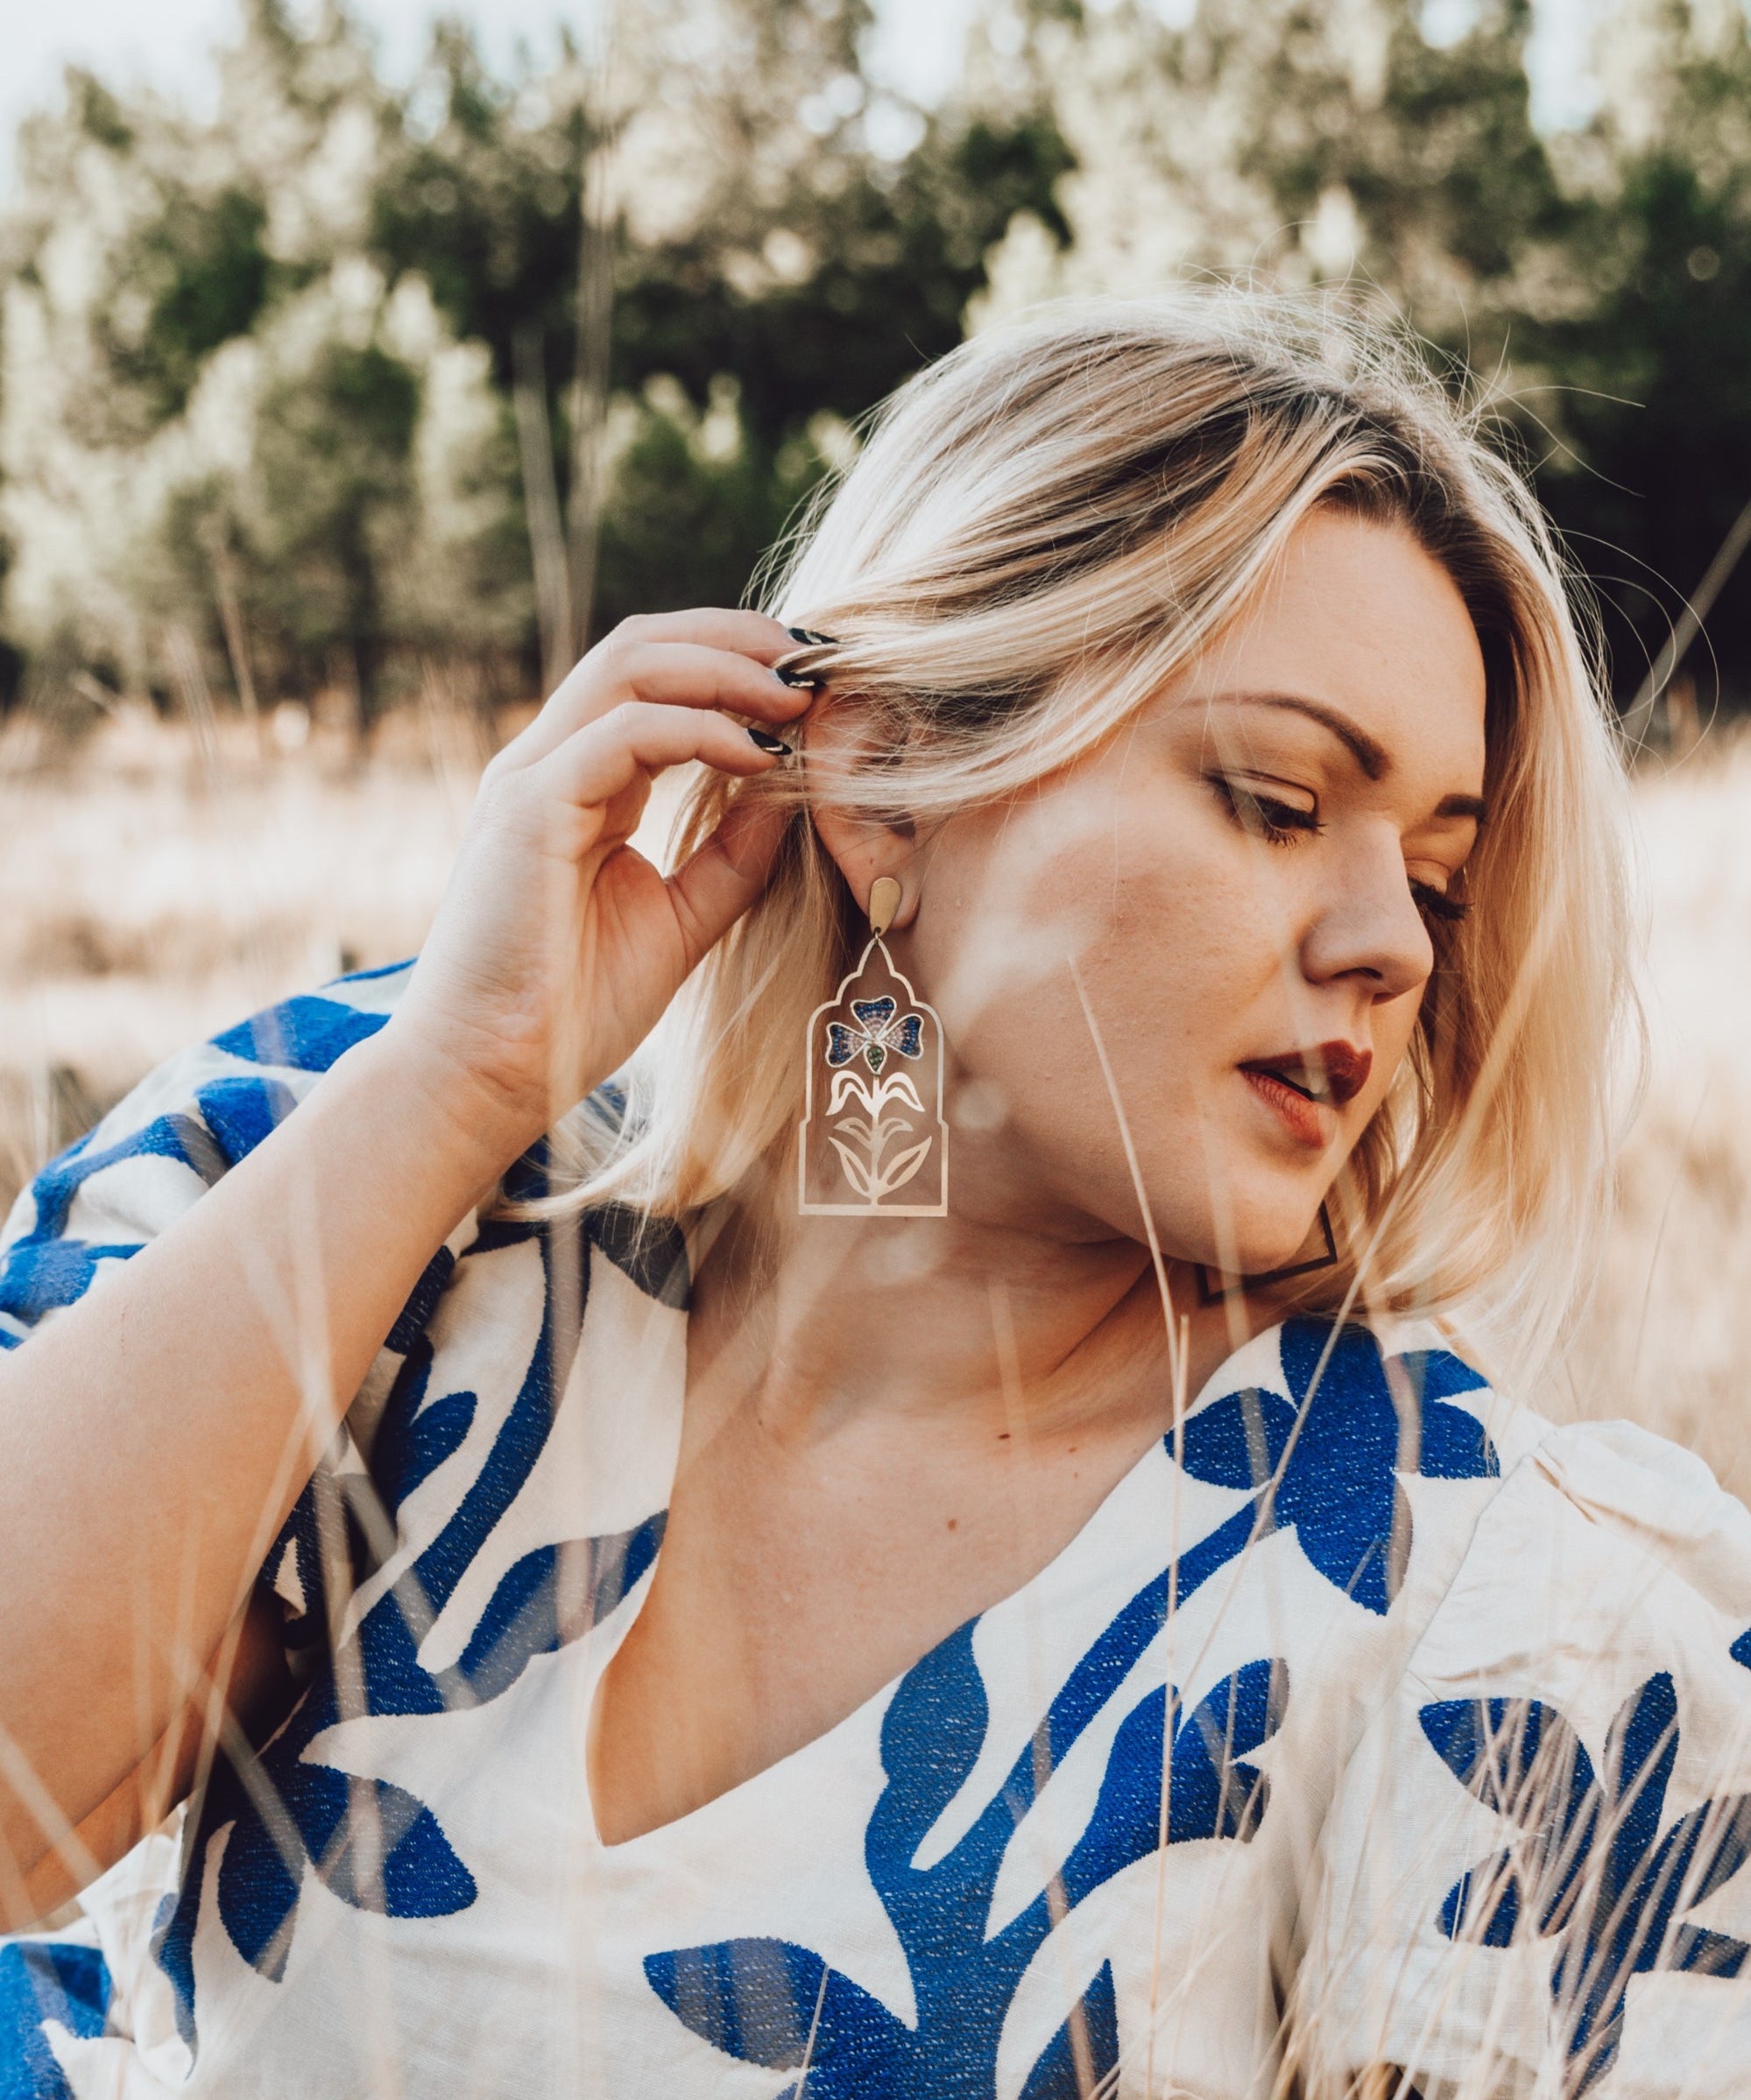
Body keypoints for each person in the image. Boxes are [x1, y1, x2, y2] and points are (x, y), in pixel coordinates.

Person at [3, 292, 1749, 2100]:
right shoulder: (389, 1215)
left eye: (1443, 880)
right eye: (1275, 798)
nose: (1390, 942)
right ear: (888, 783)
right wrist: (458, 1076)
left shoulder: (1497, 1606)